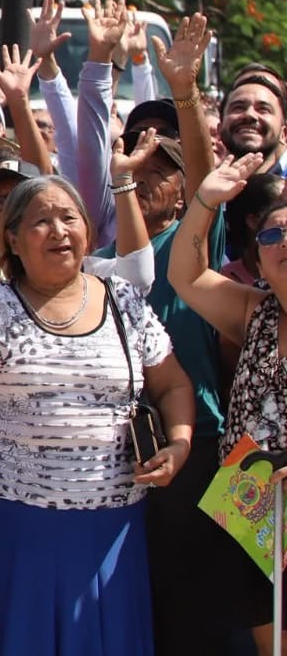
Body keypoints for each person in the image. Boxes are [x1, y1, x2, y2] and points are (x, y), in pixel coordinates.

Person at [0, 175, 195, 656]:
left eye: (68, 217)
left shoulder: (124, 301)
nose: (58, 231)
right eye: (41, 221)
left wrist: (179, 442)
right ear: (11, 237)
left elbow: (173, 383)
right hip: (14, 525)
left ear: (88, 231)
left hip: (111, 523)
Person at [168, 151, 287, 655]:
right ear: (256, 259)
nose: (283, 242)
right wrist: (205, 203)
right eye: (271, 235)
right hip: (252, 499)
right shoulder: (253, 310)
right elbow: (185, 275)